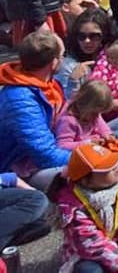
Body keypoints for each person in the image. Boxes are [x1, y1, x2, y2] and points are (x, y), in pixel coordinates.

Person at [51, 139, 118, 273]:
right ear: (86, 181)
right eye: (108, 168)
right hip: (90, 254)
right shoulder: (71, 204)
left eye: (114, 163)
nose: (116, 168)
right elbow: (91, 244)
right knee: (88, 269)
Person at [0, 29, 70, 192]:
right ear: (53, 63)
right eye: (62, 56)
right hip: (22, 170)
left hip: (55, 149)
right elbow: (45, 155)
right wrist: (92, 158)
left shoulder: (50, 85)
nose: (63, 60)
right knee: (92, 171)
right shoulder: (20, 99)